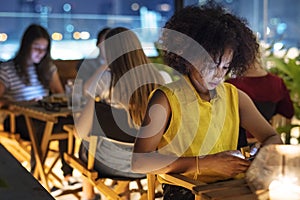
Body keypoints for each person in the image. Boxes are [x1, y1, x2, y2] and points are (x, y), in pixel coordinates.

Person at [131, 2, 283, 199]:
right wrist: (203, 163)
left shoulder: (235, 97)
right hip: (186, 189)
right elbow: (139, 161)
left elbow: (273, 138)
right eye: (211, 65)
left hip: (231, 187)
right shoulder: (166, 99)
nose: (218, 75)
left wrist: (259, 152)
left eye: (225, 67)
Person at [74, 27, 165, 200]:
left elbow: (80, 132)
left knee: (85, 145)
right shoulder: (159, 79)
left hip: (108, 164)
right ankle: (124, 194)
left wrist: (104, 65)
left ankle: (88, 196)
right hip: (147, 163)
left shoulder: (105, 81)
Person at [0, 24, 80, 195]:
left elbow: (59, 95)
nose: (40, 53)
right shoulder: (7, 69)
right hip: (18, 118)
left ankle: (67, 176)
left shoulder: (47, 68)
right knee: (43, 127)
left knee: (68, 124)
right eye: (36, 48)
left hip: (44, 116)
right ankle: (37, 178)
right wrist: (13, 104)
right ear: (26, 46)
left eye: (44, 49)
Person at [226, 54, 294, 143]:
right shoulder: (277, 82)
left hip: (237, 142)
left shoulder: (231, 87)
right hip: (265, 140)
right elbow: (288, 112)